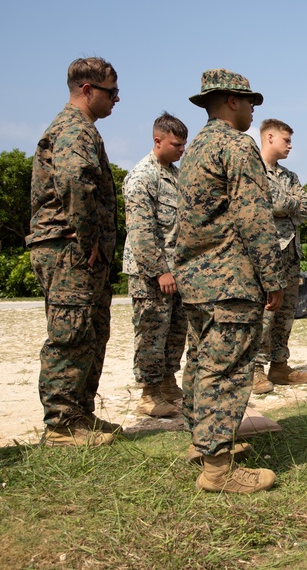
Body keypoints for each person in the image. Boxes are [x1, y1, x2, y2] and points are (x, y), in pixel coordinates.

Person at [174, 69, 288, 493]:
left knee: (201, 364)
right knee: (227, 371)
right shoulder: (236, 146)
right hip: (231, 280)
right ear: (230, 102)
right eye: (249, 101)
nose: (254, 108)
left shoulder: (197, 146)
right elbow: (254, 218)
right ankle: (217, 470)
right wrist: (273, 277)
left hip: (198, 279)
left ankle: (201, 445)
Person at [26, 57, 120, 448]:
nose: (117, 100)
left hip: (76, 247)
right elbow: (74, 184)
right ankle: (61, 425)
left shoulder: (83, 129)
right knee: (71, 334)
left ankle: (79, 415)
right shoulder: (73, 129)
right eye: (112, 92)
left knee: (92, 332)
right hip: (68, 247)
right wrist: (89, 240)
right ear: (87, 90)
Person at [122, 112, 188, 418]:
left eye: (183, 144)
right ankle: (148, 395)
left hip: (176, 271)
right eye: (176, 144)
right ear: (157, 140)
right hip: (151, 274)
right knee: (151, 333)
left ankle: (166, 383)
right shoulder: (142, 177)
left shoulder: (174, 175)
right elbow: (141, 231)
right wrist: (159, 270)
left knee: (175, 331)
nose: (181, 150)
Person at [251, 119, 307, 394]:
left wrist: (284, 204)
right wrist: (289, 203)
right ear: (270, 137)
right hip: (266, 255)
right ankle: (254, 369)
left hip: (290, 255)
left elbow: (306, 208)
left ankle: (279, 366)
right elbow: (266, 205)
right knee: (264, 314)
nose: (290, 145)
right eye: (286, 140)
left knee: (286, 313)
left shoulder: (290, 176)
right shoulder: (252, 170)